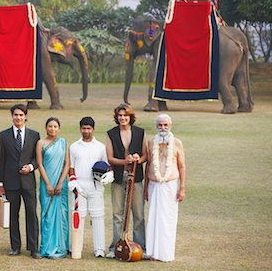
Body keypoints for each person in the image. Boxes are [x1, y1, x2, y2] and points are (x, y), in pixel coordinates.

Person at [0, 104, 41, 259]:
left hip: (28, 181)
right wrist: (0, 183)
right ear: (12, 116)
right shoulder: (3, 136)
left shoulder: (34, 135)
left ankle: (34, 247)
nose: (18, 118)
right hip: (11, 182)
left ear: (25, 116)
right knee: (13, 215)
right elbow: (1, 161)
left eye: (21, 115)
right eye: (15, 115)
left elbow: (37, 158)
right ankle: (15, 246)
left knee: (31, 213)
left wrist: (31, 167)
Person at [105, 104, 147, 259]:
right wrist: (125, 161)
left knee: (138, 214)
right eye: (120, 115)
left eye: (125, 115)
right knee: (117, 214)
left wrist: (137, 159)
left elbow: (145, 155)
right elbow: (110, 158)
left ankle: (141, 247)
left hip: (135, 178)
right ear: (117, 117)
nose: (122, 118)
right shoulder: (111, 133)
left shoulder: (140, 132)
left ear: (130, 117)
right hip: (118, 177)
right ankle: (115, 247)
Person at [145, 114, 186, 262]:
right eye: (160, 125)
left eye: (165, 125)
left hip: (170, 186)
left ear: (170, 126)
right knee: (154, 219)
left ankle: (166, 253)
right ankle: (153, 253)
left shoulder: (177, 143)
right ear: (156, 127)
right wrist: (145, 189)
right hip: (153, 186)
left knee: (167, 219)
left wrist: (182, 188)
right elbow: (148, 165)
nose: (163, 128)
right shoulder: (151, 142)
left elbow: (181, 166)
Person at [68, 117, 109, 258]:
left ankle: (99, 249)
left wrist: (107, 177)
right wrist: (73, 180)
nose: (86, 131)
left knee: (98, 217)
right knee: (79, 216)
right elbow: (71, 167)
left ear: (93, 129)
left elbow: (107, 166)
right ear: (80, 129)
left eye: (89, 128)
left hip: (95, 186)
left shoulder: (101, 147)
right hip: (79, 186)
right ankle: (76, 247)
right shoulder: (74, 147)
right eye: (84, 128)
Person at [36, 117, 70, 259]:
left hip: (61, 184)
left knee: (61, 215)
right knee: (47, 215)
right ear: (46, 128)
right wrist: (48, 183)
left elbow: (67, 164)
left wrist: (60, 182)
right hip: (46, 184)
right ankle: (47, 247)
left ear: (59, 128)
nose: (53, 129)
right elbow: (40, 164)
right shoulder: (41, 143)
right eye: (50, 126)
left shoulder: (63, 143)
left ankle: (62, 246)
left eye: (55, 126)